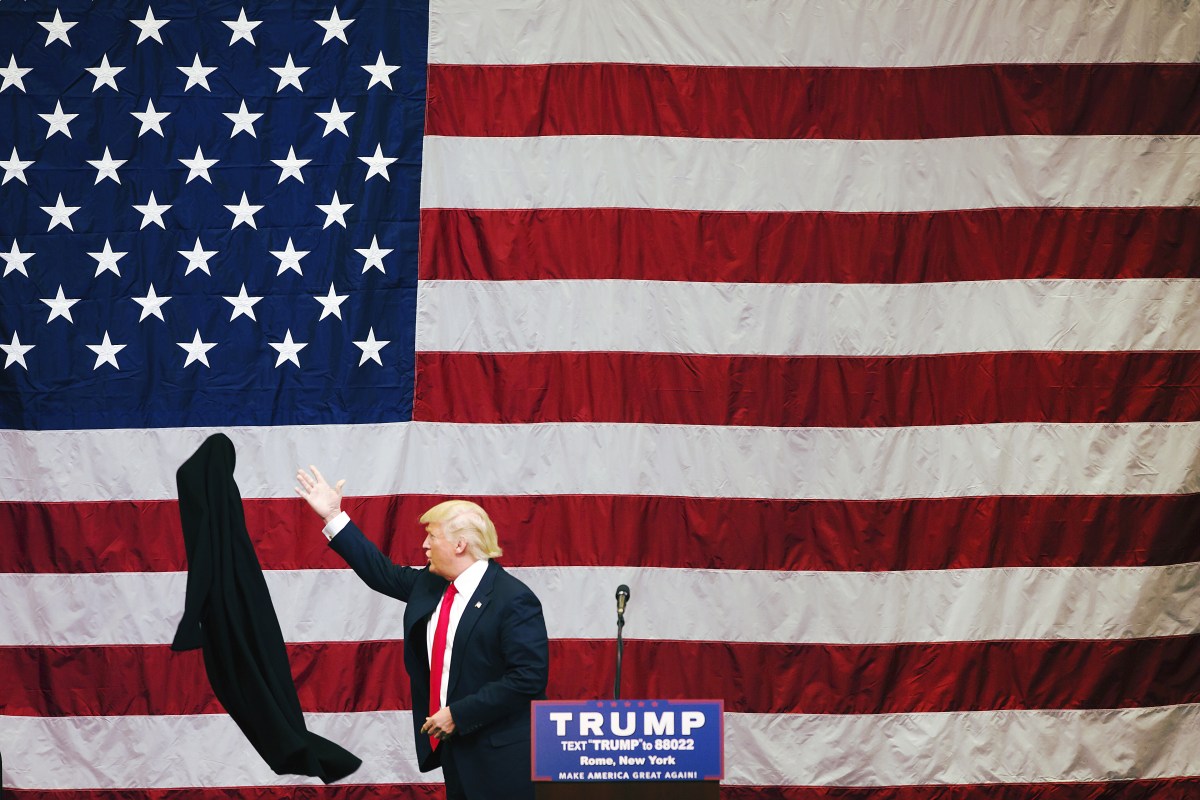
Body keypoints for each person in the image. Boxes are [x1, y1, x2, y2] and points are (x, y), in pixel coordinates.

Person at [295, 466, 550, 800]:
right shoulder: (431, 586)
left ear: (460, 544)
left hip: (504, 758)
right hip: (455, 752)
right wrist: (333, 515)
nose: (424, 545)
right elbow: (380, 572)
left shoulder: (512, 599)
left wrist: (459, 714)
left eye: (432, 536)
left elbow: (528, 678)